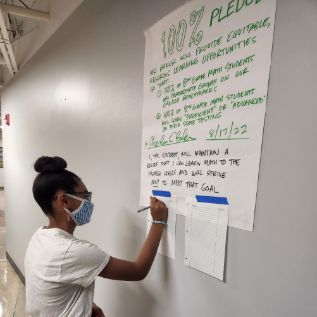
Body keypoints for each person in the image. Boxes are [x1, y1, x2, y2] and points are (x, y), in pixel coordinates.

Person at [24, 156, 168, 317]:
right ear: (64, 201)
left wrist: (83, 304)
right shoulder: (73, 251)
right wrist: (158, 221)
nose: (89, 203)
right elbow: (138, 270)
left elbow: (48, 288)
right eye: (85, 196)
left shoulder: (40, 236)